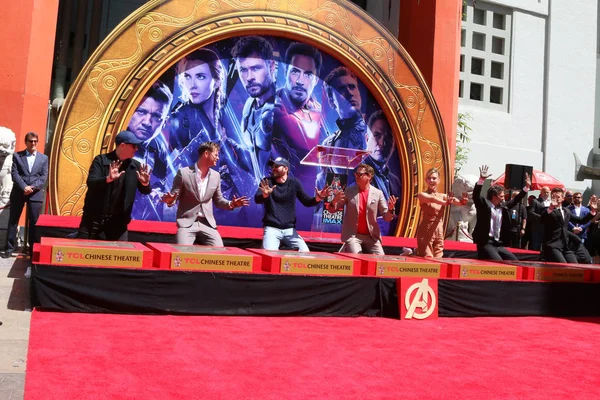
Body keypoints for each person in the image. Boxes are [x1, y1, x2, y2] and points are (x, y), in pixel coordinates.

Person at [161, 142, 249, 246]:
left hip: (207, 224)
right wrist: (170, 200)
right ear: (206, 153)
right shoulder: (184, 173)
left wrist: (232, 204)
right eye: (215, 154)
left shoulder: (216, 176)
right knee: (182, 252)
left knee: (219, 251)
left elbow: (219, 201)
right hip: (187, 224)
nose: (217, 158)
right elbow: (174, 196)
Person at [76, 130, 151, 240]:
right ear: (122, 145)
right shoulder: (101, 160)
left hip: (119, 225)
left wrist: (145, 183)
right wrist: (108, 179)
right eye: (133, 146)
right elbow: (91, 182)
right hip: (93, 221)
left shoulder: (135, 166)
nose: (136, 149)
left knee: (119, 255)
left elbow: (146, 190)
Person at [272, 42, 326, 182]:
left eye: (308, 74)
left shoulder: (320, 115)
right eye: (295, 72)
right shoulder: (270, 107)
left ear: (316, 80)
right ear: (285, 72)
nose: (300, 81)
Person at [254, 157, 330, 252]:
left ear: (286, 169)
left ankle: (285, 249)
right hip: (271, 228)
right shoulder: (267, 181)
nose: (273, 168)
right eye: (273, 166)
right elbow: (257, 199)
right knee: (269, 255)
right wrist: (264, 195)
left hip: (289, 230)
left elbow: (306, 201)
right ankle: (285, 249)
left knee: (305, 253)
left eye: (277, 166)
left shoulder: (294, 183)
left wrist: (318, 198)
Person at [231, 35, 276, 183]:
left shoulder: (282, 108)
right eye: (243, 70)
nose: (249, 77)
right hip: (263, 198)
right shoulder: (249, 107)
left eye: (256, 68)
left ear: (271, 66)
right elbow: (255, 162)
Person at [127, 81, 173, 220]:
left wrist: (157, 191)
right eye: (141, 112)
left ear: (164, 122)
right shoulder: (114, 142)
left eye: (157, 117)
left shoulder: (158, 148)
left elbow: (163, 180)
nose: (147, 122)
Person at [327, 163, 397, 255]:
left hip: (371, 236)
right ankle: (347, 247)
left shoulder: (378, 193)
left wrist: (391, 209)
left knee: (381, 259)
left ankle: (346, 249)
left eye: (360, 174)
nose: (356, 176)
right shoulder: (349, 191)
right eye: (356, 174)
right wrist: (334, 201)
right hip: (353, 236)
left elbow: (387, 218)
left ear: (369, 176)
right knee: (357, 256)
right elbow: (331, 210)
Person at [3, 132, 48, 258]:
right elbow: (15, 174)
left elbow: (43, 177)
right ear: (26, 142)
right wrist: (24, 187)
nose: (33, 143)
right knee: (13, 220)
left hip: (35, 194)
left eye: (35, 141)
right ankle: (9, 247)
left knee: (34, 222)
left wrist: (32, 188)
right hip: (19, 192)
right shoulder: (17, 156)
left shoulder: (43, 158)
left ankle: (33, 249)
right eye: (30, 141)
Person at [472, 165, 530, 260]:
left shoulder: (504, 206)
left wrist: (526, 187)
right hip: (486, 243)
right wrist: (481, 180)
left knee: (514, 261)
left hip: (498, 244)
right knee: (498, 262)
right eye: (501, 196)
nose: (503, 198)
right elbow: (476, 195)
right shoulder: (484, 205)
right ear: (494, 197)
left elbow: (516, 199)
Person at [416, 168, 468, 258]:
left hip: (439, 229)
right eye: (429, 178)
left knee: (439, 258)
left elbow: (458, 202)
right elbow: (432, 199)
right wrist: (445, 202)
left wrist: (463, 201)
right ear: (426, 180)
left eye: (434, 178)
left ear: (439, 180)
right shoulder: (422, 195)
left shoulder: (443, 196)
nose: (431, 180)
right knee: (426, 258)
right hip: (426, 229)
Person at [539, 188, 598, 263]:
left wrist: (592, 211)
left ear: (563, 198)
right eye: (553, 197)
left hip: (566, 245)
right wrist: (551, 207)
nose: (556, 199)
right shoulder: (548, 210)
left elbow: (581, 220)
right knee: (562, 265)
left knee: (574, 265)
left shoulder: (566, 211)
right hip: (553, 245)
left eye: (558, 197)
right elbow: (542, 220)